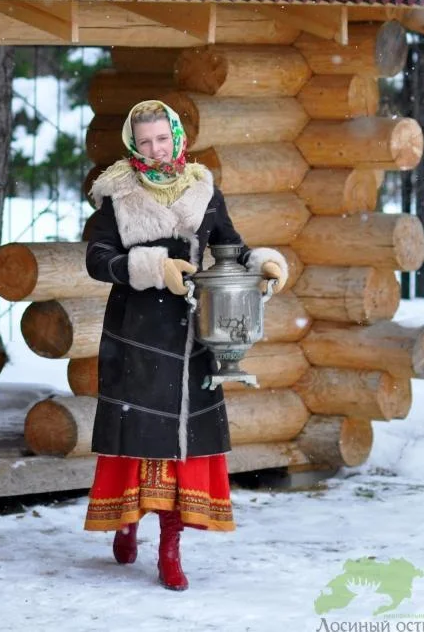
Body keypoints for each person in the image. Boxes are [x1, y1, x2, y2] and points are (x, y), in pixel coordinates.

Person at [82, 100, 288, 591]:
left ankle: (170, 547)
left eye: (163, 138)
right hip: (137, 335)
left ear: (177, 137)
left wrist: (262, 264)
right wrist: (154, 268)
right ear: (135, 144)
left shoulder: (203, 190)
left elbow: (229, 247)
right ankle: (127, 521)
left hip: (197, 333)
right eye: (146, 140)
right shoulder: (118, 194)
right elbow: (96, 259)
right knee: (140, 440)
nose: (156, 148)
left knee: (182, 448)